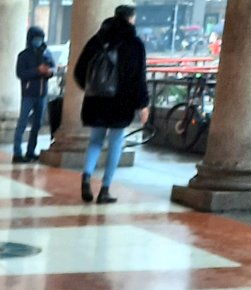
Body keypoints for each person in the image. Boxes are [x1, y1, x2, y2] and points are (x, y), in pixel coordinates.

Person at [73, 4, 149, 204]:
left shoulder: (97, 40)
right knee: (116, 142)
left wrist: (90, 88)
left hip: (96, 100)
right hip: (120, 102)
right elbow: (138, 78)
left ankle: (87, 175)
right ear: (131, 19)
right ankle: (105, 189)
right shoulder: (134, 43)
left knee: (95, 141)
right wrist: (142, 104)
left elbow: (79, 70)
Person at [12, 26, 55, 163]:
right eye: (36, 38)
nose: (38, 41)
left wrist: (49, 72)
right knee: (22, 123)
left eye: (40, 38)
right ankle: (17, 152)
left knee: (37, 124)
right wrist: (37, 71)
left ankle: (31, 151)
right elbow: (21, 73)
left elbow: (52, 67)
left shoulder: (46, 53)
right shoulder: (24, 55)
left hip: (42, 94)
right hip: (28, 93)